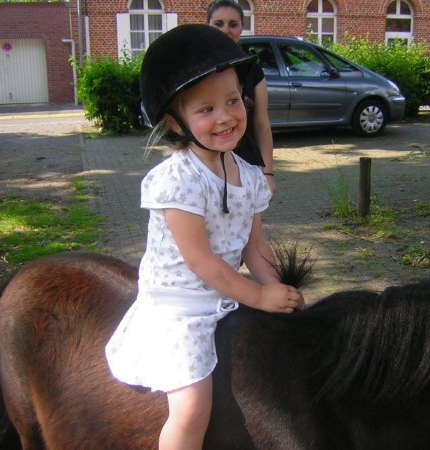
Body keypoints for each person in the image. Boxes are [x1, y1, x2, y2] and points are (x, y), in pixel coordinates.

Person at [105, 24, 304, 450]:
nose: (226, 116)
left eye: (233, 101)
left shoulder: (250, 176)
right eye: (206, 109)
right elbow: (202, 261)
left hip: (225, 297)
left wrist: (276, 288)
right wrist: (258, 297)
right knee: (192, 407)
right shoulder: (177, 180)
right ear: (175, 121)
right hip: (178, 307)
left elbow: (254, 246)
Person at [207, 0, 276, 197]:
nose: (226, 30)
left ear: (241, 28)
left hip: (245, 165)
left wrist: (268, 172)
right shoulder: (197, 70)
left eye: (233, 24)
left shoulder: (252, 70)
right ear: (208, 25)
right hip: (206, 165)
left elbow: (262, 123)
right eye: (218, 24)